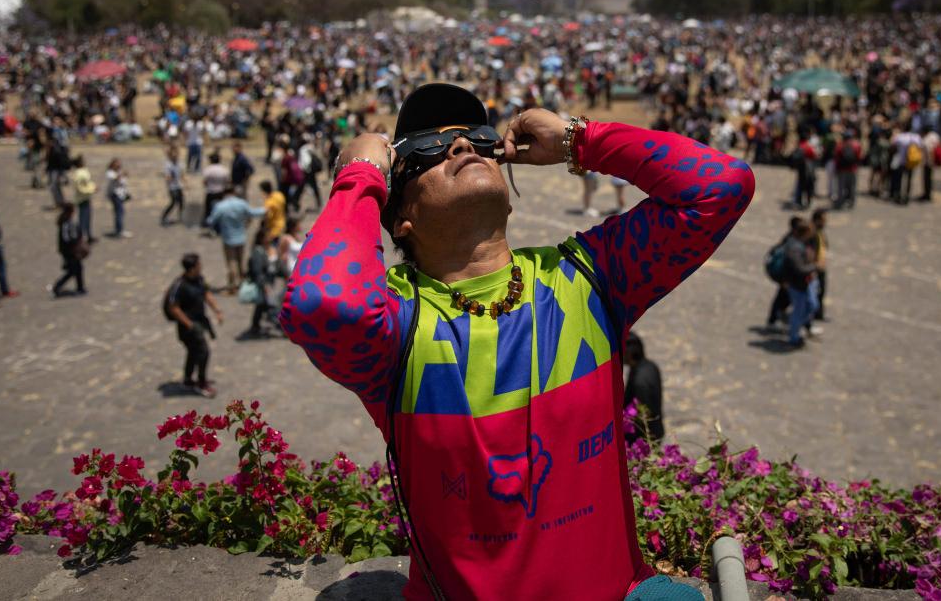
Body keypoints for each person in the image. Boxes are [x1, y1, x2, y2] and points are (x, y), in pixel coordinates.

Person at [280, 83, 754, 600]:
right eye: (426, 152)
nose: (460, 147)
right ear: (401, 219)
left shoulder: (588, 278)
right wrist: (359, 177)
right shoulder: (397, 325)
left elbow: (721, 185)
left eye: (476, 139)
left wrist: (579, 140)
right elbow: (320, 305)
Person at [165, 253, 223, 397]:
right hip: (188, 327)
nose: (201, 267)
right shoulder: (179, 285)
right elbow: (173, 307)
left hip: (199, 322)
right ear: (191, 268)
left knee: (193, 352)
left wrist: (217, 310)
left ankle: (187, 379)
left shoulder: (199, 279)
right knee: (203, 352)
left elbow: (206, 293)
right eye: (198, 265)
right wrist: (189, 324)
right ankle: (201, 383)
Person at [205, 186, 264, 293]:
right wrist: (266, 209)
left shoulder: (220, 206)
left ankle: (233, 286)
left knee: (231, 263)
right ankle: (242, 283)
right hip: (241, 237)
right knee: (240, 262)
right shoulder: (241, 203)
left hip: (228, 239)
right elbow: (253, 213)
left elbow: (211, 221)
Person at [783, 218, 819, 349]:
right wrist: (814, 267)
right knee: (798, 311)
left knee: (812, 305)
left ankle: (797, 327)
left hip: (804, 283)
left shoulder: (800, 243)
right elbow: (800, 268)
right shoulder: (794, 248)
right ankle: (794, 337)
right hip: (797, 285)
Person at [623, 332, 664, 445]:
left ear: (629, 354)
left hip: (645, 437)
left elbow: (643, 414)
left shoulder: (640, 382)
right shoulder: (651, 366)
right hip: (657, 429)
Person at [240, 226, 280, 339]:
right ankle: (281, 326)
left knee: (261, 306)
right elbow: (258, 273)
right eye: (268, 236)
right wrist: (265, 286)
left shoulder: (269, 249)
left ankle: (255, 326)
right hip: (264, 285)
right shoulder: (258, 252)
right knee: (272, 306)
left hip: (269, 283)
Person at [49, 202, 87, 297]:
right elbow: (68, 238)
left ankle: (80, 287)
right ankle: (58, 287)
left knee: (77, 268)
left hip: (68, 251)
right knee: (73, 270)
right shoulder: (67, 223)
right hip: (70, 251)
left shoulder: (65, 221)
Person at [70, 155, 97, 244]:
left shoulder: (81, 171)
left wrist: (93, 187)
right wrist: (92, 189)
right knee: (83, 219)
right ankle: (81, 238)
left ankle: (88, 236)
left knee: (88, 218)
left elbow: (87, 183)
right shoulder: (79, 174)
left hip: (85, 198)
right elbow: (80, 187)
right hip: (82, 199)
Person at [809, 209, 829, 324]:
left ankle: (819, 314)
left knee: (821, 291)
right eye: (823, 220)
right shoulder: (811, 232)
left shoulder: (820, 232)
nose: (825, 222)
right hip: (814, 267)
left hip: (821, 266)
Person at [201, 151, 229, 231]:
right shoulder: (224, 169)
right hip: (221, 192)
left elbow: (204, 181)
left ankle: (209, 225)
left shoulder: (208, 169)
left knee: (208, 210)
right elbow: (227, 181)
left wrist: (208, 186)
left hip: (210, 192)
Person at [105, 158, 131, 238]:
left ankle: (118, 229)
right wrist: (123, 174)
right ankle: (119, 231)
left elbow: (123, 181)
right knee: (119, 212)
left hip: (121, 195)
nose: (119, 165)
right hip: (115, 195)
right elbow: (116, 178)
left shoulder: (119, 172)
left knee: (120, 212)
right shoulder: (110, 172)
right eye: (117, 163)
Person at [161, 147, 186, 226]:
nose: (175, 155)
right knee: (173, 202)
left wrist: (186, 183)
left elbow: (182, 174)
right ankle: (164, 216)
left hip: (179, 186)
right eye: (173, 154)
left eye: (176, 154)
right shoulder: (168, 164)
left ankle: (180, 216)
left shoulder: (180, 163)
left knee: (182, 202)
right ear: (170, 155)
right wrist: (169, 178)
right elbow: (167, 176)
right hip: (172, 187)